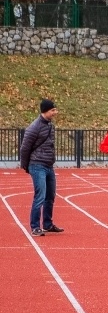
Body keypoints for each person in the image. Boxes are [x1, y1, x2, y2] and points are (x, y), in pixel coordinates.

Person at [19, 99, 64, 236]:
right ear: (45, 111)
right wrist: (25, 165)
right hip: (37, 165)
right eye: (53, 110)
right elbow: (25, 148)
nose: (55, 113)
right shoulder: (34, 127)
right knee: (40, 196)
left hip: (49, 165)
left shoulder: (50, 125)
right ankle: (35, 226)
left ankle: (47, 224)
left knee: (50, 196)